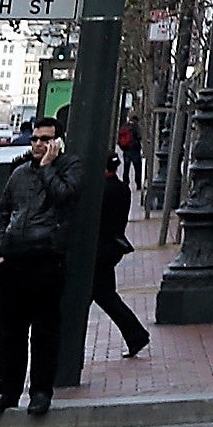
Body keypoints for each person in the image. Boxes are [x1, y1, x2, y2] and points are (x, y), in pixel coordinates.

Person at [0, 121, 75, 417]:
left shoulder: (67, 171)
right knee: (10, 333)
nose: (37, 144)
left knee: (45, 332)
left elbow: (65, 197)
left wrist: (49, 166)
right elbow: (3, 214)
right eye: (35, 139)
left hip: (46, 260)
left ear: (57, 142)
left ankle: (40, 392)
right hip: (12, 263)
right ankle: (8, 391)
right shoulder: (19, 174)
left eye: (45, 139)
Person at [90, 151, 150, 358]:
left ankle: (136, 334)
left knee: (100, 296)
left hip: (97, 250)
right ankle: (136, 335)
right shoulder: (121, 188)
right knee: (104, 295)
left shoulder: (98, 191)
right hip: (111, 248)